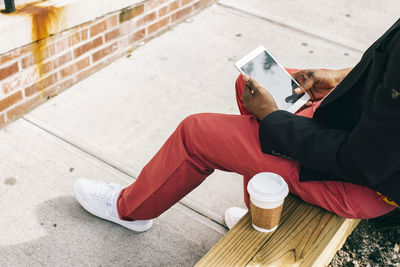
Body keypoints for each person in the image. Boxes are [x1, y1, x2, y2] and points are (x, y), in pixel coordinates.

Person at [74, 19, 400, 232]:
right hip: (351, 132)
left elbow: (362, 163)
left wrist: (273, 119)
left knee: (195, 133)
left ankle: (131, 211)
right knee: (251, 82)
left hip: (352, 181)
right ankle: (260, 214)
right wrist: (340, 78)